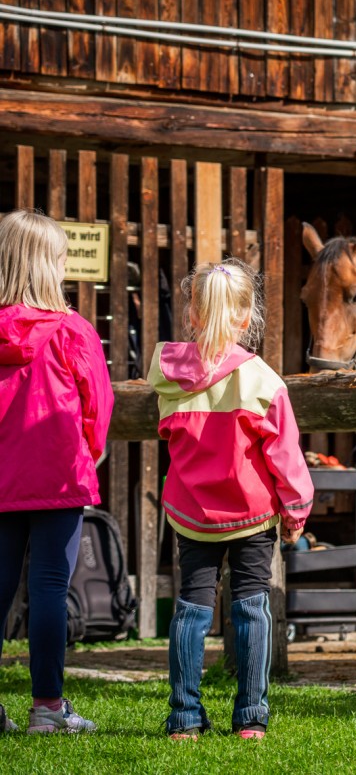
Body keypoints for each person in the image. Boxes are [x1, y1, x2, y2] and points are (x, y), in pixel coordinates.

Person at [150, 258, 313, 740]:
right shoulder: (263, 381)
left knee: (192, 608)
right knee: (251, 605)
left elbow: (169, 434)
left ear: (193, 314)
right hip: (251, 514)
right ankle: (251, 718)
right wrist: (296, 507)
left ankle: (184, 717)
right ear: (247, 317)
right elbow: (285, 455)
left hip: (191, 512)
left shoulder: (169, 375)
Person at [0, 210, 114, 735]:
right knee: (49, 588)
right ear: (52, 264)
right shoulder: (73, 331)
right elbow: (99, 407)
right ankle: (47, 708)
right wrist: (88, 454)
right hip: (58, 479)